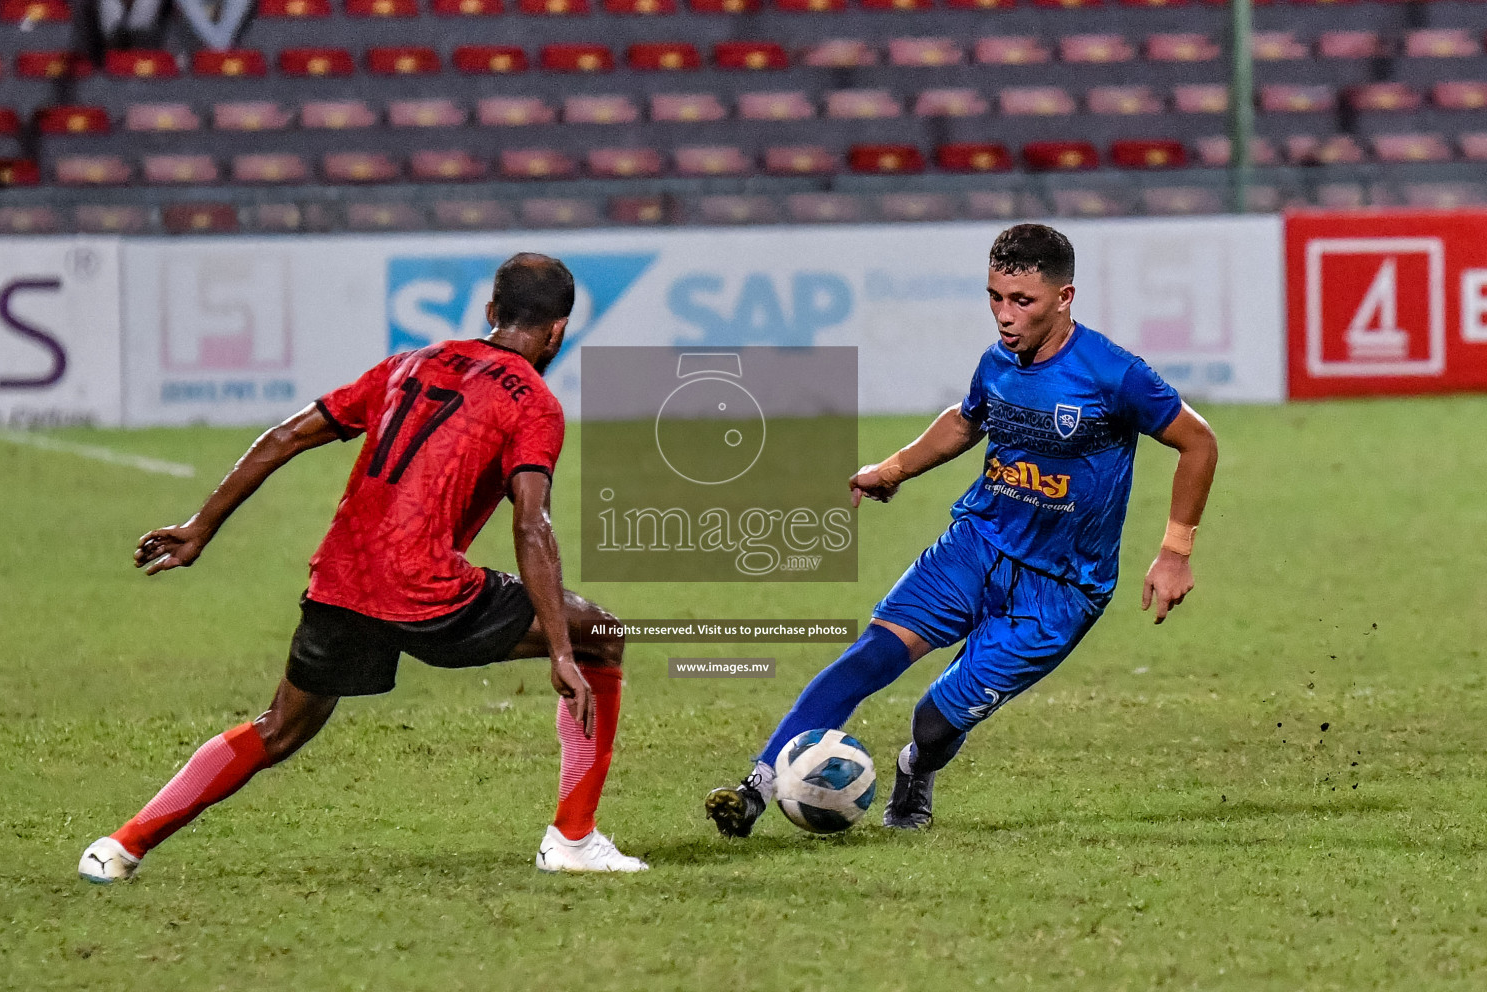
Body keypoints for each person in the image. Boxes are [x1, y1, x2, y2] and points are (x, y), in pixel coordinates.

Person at [79, 253, 647, 880]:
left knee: (280, 728)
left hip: (342, 578)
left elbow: (286, 435)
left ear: (490, 312)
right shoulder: (534, 403)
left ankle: (121, 846)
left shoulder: (410, 363)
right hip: (426, 586)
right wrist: (562, 650)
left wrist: (200, 527)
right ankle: (572, 839)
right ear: (559, 331)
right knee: (601, 635)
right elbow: (530, 522)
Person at [706, 223, 1219, 835]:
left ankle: (915, 767)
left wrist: (1175, 551)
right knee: (868, 658)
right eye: (995, 297)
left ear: (1065, 297)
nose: (1004, 315)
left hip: (1060, 589)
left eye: (1021, 301)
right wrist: (893, 468)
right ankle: (756, 789)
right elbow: (967, 418)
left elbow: (1199, 442)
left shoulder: (1115, 374)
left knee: (935, 722)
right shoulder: (998, 360)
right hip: (975, 545)